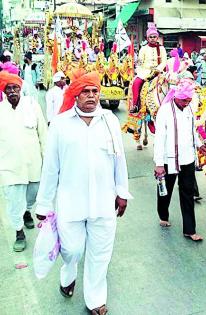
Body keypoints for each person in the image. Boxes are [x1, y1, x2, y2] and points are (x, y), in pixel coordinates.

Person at [35, 69, 132, 315]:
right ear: (76, 95)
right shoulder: (60, 124)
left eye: (94, 91)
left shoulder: (110, 120)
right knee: (72, 250)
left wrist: (122, 191)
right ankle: (68, 272)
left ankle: (95, 300)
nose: (91, 96)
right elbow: (50, 168)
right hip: (71, 202)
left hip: (103, 201)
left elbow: (119, 159)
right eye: (85, 92)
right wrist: (44, 205)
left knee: (101, 253)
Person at [153, 80, 206, 241]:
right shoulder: (165, 111)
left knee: (188, 193)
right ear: (176, 96)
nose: (187, 102)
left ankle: (189, 230)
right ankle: (163, 215)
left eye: (189, 100)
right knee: (166, 190)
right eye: (184, 100)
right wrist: (159, 163)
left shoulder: (189, 108)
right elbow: (160, 137)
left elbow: (192, 130)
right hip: (169, 160)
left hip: (188, 158)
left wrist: (200, 144)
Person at [0, 71, 47, 252]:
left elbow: (43, 133)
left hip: (33, 164)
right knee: (13, 201)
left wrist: (47, 159)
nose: (12, 91)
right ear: (3, 92)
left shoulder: (32, 105)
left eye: (15, 88)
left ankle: (27, 210)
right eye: (8, 88)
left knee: (32, 194)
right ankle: (19, 232)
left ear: (20, 89)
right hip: (9, 167)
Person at [131, 24, 167, 112]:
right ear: (147, 38)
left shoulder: (162, 49)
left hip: (158, 72)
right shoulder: (143, 49)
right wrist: (140, 73)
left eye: (154, 36)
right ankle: (136, 105)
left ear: (157, 38)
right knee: (136, 83)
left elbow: (164, 62)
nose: (153, 38)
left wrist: (157, 70)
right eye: (150, 37)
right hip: (145, 73)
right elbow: (139, 63)